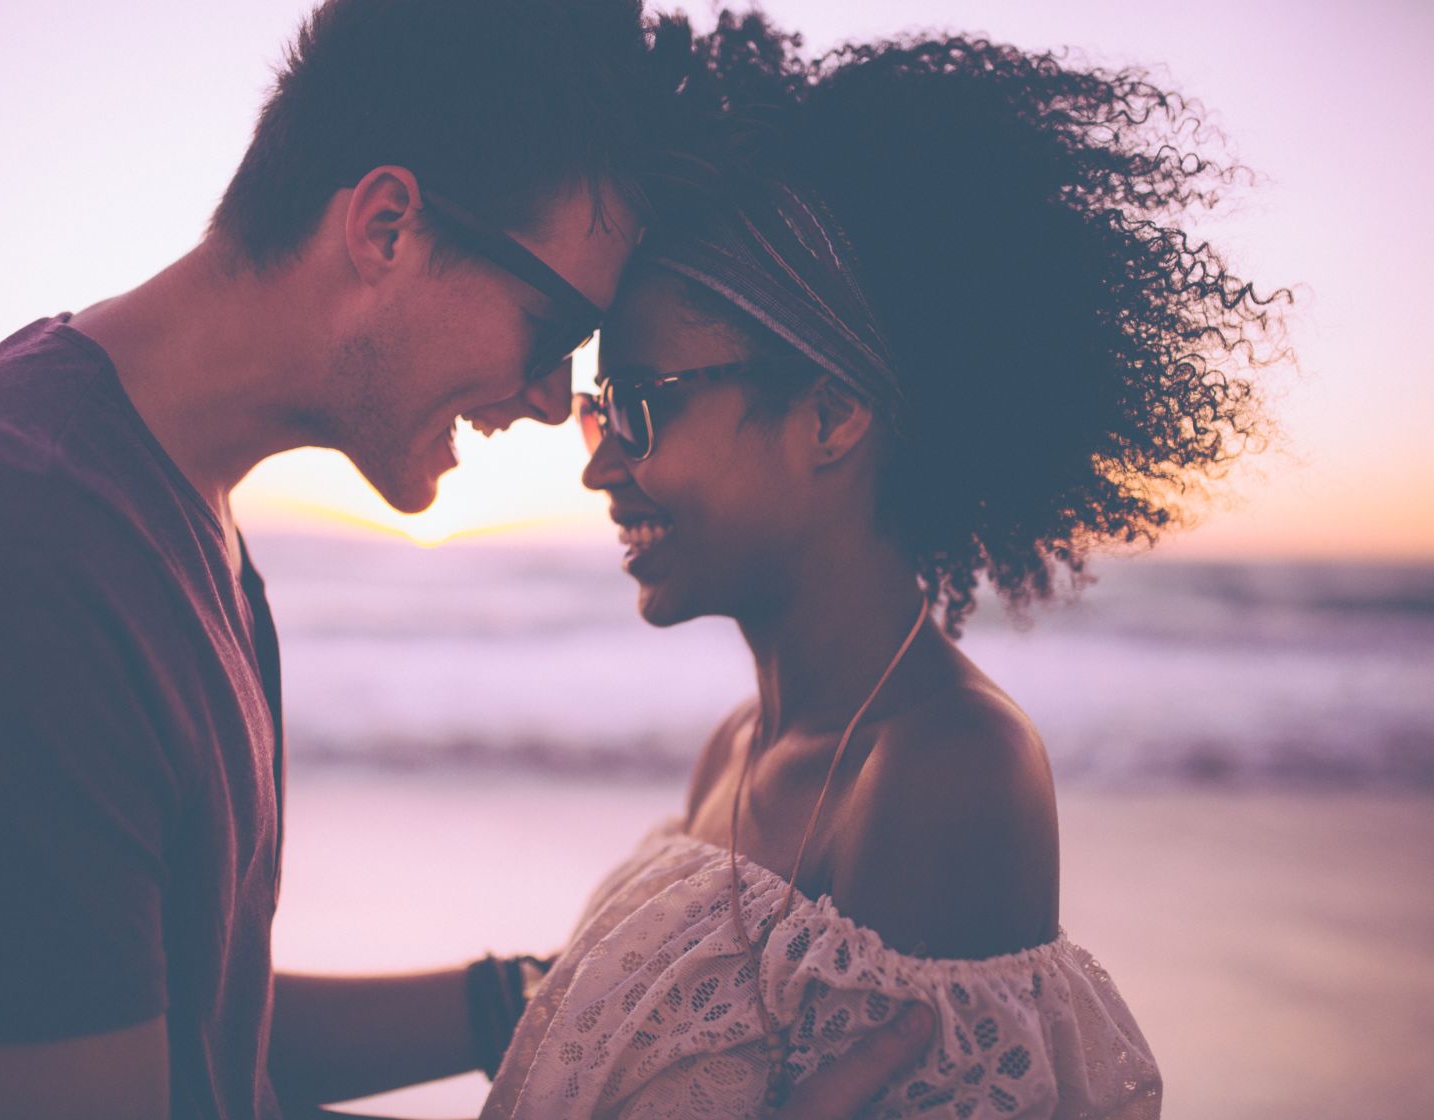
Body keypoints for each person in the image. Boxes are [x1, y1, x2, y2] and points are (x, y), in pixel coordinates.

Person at [0, 1, 937, 1117]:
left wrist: (550, 1006)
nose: (547, 404)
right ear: (386, 227)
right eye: (558, 336)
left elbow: (191, 1042)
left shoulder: (170, 512)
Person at [483, 16, 1287, 1119]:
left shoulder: (944, 775)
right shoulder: (737, 747)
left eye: (641, 407)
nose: (601, 467)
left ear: (833, 412)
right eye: (596, 410)